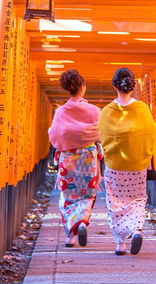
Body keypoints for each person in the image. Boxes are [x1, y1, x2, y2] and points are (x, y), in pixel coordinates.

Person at [98, 67, 156, 255]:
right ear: (133, 86)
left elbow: (101, 137)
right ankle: (137, 229)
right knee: (138, 199)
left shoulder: (107, 111)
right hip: (138, 165)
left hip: (115, 166)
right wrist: (144, 155)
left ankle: (120, 244)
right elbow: (151, 135)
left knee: (115, 202)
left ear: (114, 85)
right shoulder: (142, 109)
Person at [48, 69, 103, 247]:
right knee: (87, 194)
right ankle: (82, 221)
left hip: (68, 159)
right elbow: (102, 133)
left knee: (68, 196)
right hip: (88, 159)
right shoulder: (94, 111)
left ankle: (70, 237)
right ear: (83, 87)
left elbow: (54, 136)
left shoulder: (60, 112)